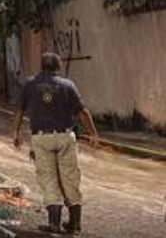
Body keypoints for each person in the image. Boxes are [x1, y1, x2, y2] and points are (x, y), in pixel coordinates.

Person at [12, 52, 100, 235]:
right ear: (58, 67)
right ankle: (75, 225)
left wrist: (16, 132)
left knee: (48, 180)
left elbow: (20, 110)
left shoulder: (30, 84)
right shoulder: (68, 85)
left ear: (41, 66)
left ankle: (54, 224)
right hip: (65, 136)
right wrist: (93, 133)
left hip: (41, 138)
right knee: (70, 179)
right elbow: (83, 111)